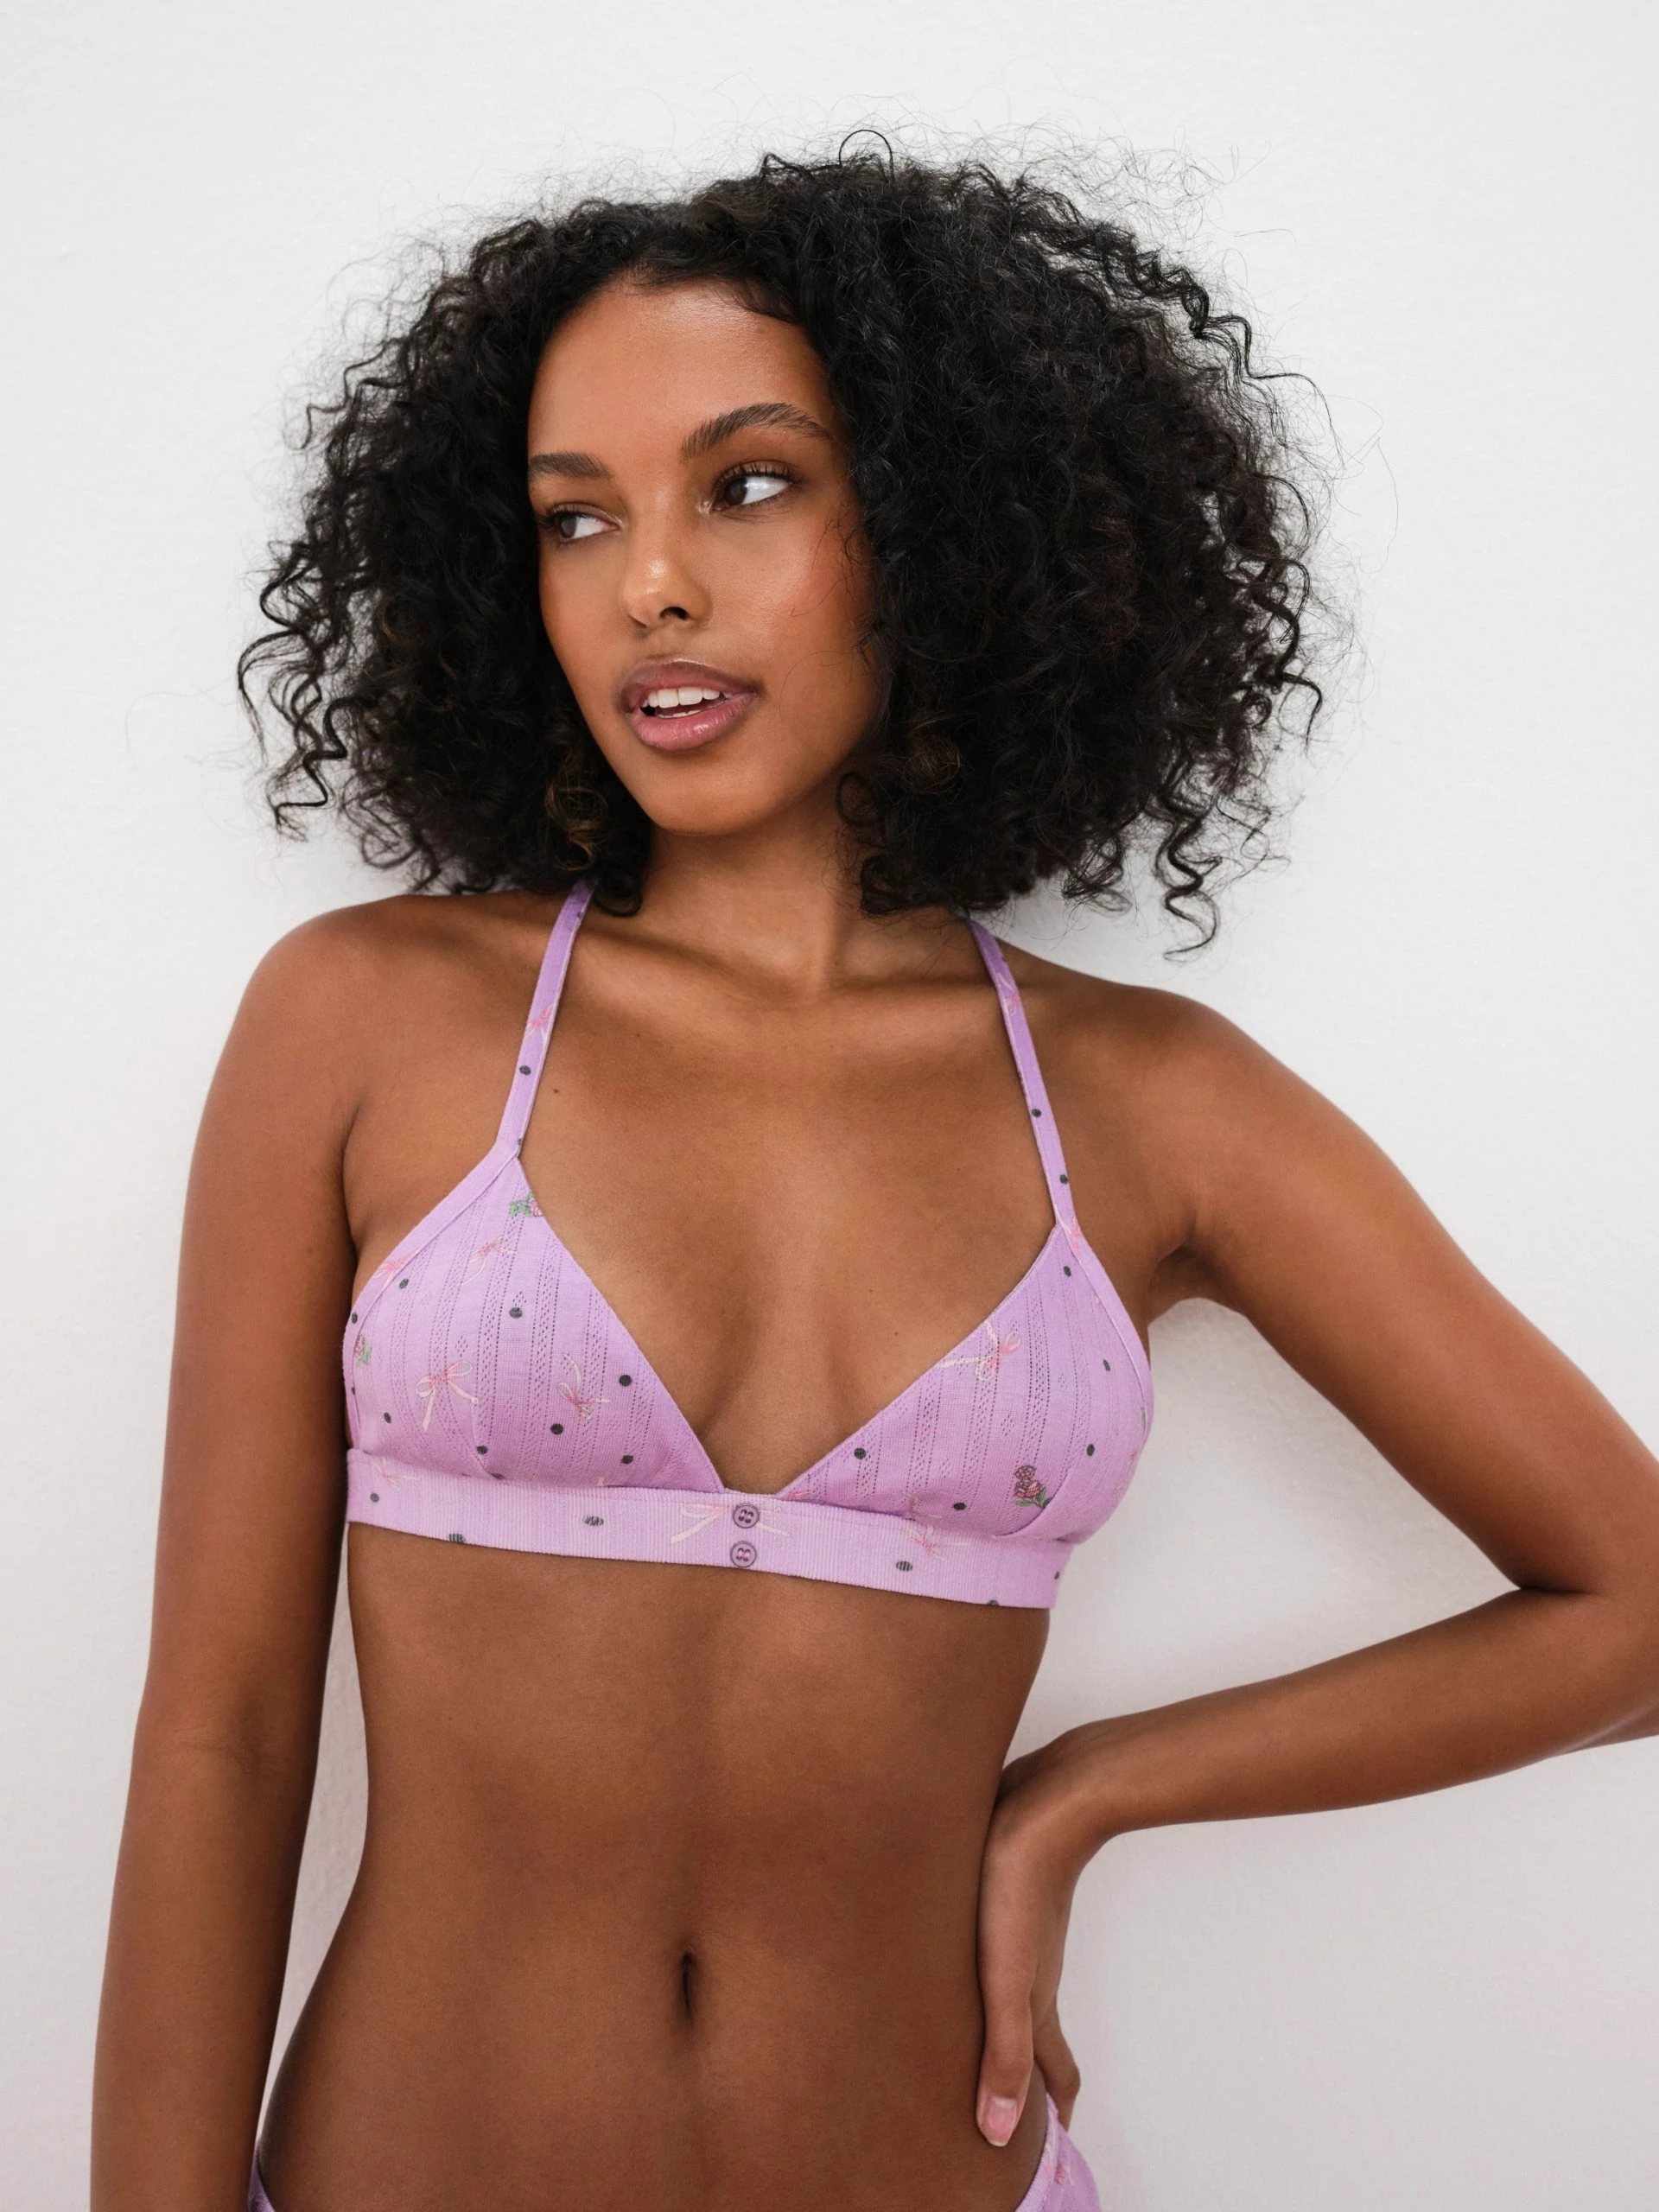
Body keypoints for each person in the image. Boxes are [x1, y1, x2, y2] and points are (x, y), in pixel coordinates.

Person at [91, 145, 1659, 2212]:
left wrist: (1087, 1789)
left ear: (936, 524)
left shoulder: (1149, 1101)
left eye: (748, 485)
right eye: (577, 516)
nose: (652, 583)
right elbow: (221, 1730)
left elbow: (1632, 1597)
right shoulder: (367, 1020)